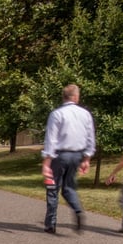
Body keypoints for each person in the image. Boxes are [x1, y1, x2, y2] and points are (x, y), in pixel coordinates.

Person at [41, 84, 96, 234]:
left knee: (53, 188)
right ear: (76, 97)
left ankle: (50, 223)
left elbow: (51, 139)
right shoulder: (86, 114)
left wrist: (46, 162)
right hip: (77, 155)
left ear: (63, 97)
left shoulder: (57, 114)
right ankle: (78, 211)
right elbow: (90, 138)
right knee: (68, 188)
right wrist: (87, 159)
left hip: (59, 155)